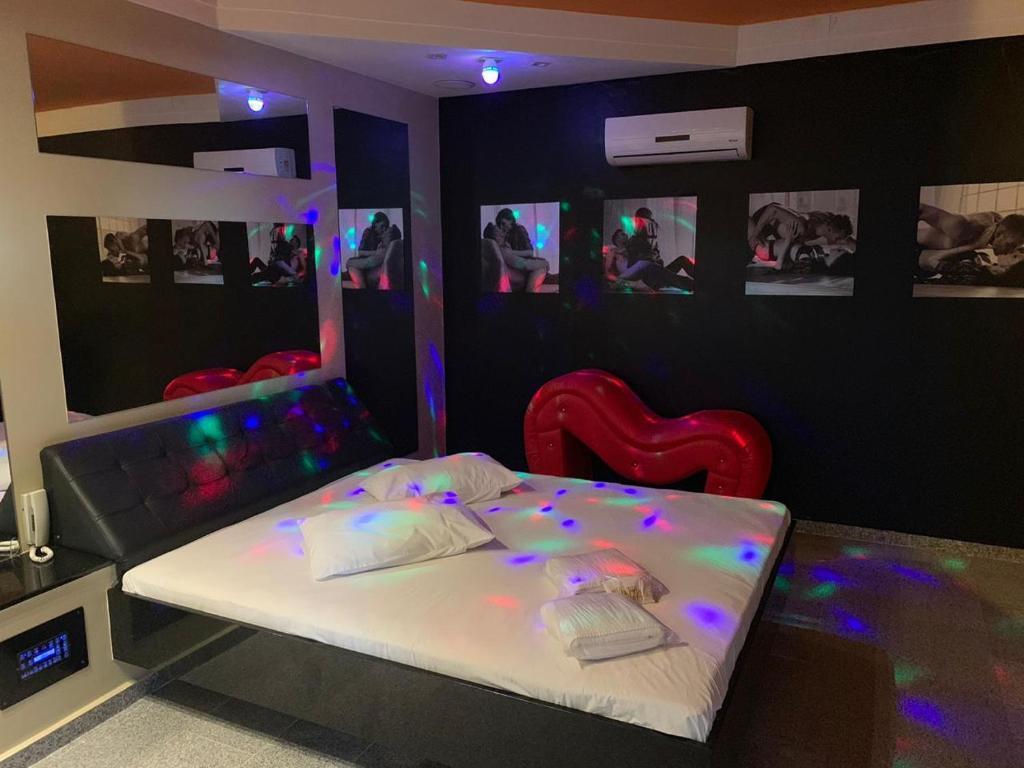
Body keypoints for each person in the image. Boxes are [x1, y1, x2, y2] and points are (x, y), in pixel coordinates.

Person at [917, 203, 1024, 279]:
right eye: (1011, 245)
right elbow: (922, 209)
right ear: (1001, 233)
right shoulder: (964, 228)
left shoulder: (984, 238)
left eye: (1015, 247)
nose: (1009, 251)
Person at [747, 203, 855, 271]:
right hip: (761, 221)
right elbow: (772, 208)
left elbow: (849, 241)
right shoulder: (802, 226)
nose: (839, 242)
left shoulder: (822, 225)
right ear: (832, 229)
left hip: (769, 236)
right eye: (838, 238)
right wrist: (755, 233)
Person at [485, 208, 549, 293]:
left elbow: (529, 253)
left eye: (503, 224)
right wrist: (545, 263)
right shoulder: (500, 248)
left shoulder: (518, 231)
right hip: (519, 268)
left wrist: (511, 252)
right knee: (541, 267)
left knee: (540, 268)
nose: (501, 228)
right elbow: (523, 264)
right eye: (499, 226)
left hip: (522, 265)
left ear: (511, 221)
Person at [347, 212, 401, 289]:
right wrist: (376, 253)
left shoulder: (388, 247)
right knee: (352, 269)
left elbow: (370, 262)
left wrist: (349, 262)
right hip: (366, 264)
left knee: (352, 267)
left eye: (386, 227)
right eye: (381, 226)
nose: (384, 230)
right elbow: (361, 253)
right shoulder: (370, 233)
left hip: (370, 268)